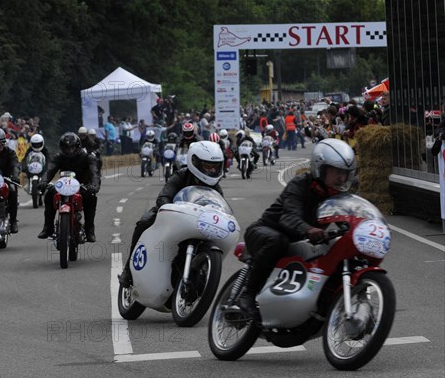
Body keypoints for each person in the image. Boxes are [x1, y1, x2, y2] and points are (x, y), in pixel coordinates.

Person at [236, 139, 356, 321]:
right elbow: (288, 217)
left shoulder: (338, 197)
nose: (341, 178)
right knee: (278, 240)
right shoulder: (301, 184)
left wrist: (358, 230)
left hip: (297, 243)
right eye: (336, 172)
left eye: (344, 174)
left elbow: (346, 221)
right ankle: (247, 295)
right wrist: (309, 230)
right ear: (321, 169)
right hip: (264, 232)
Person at [118, 141, 225, 287]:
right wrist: (168, 207)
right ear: (195, 162)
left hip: (198, 223)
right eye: (207, 166)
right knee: (145, 221)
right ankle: (128, 270)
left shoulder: (216, 188)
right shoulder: (181, 175)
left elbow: (220, 208)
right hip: (174, 215)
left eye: (215, 167)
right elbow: (164, 196)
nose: (212, 170)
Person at [37, 132, 100, 242]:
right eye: (66, 148)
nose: (70, 150)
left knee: (91, 197)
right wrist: (43, 181)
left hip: (81, 187)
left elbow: (94, 173)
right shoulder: (59, 157)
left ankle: (89, 229)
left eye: (72, 148)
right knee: (49, 194)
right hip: (64, 187)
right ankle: (48, 227)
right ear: (62, 148)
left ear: (77, 147)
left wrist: (93, 185)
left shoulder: (87, 157)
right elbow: (50, 170)